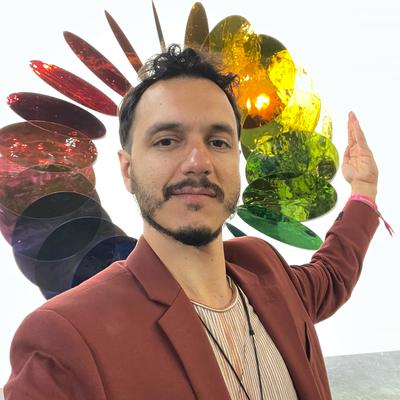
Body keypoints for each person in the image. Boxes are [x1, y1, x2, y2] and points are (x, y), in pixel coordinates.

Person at [4, 45, 379, 400]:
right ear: (128, 170)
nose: (199, 162)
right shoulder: (66, 336)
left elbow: (332, 274)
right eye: (167, 141)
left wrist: (363, 190)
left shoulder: (264, 268)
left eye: (218, 142)